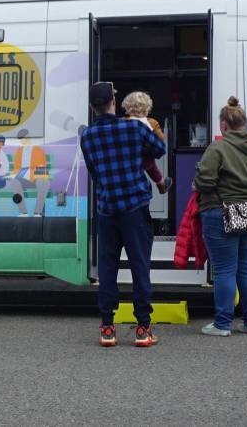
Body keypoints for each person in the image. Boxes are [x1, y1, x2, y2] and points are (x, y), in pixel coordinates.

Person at [80, 82, 166, 348]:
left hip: (107, 208)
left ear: (92, 107)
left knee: (107, 268)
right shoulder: (133, 128)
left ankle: (107, 328)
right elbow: (159, 149)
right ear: (113, 103)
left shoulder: (87, 136)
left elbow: (94, 173)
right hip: (134, 207)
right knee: (139, 266)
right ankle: (143, 328)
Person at [193, 96, 247, 336]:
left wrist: (196, 183)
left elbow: (205, 181)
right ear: (244, 123)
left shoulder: (217, 149)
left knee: (225, 270)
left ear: (224, 125)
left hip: (221, 213)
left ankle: (222, 324)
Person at [121, 91, 171, 194]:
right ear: (147, 107)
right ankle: (161, 185)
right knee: (153, 168)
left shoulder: (122, 121)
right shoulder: (152, 122)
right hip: (146, 159)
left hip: (127, 159)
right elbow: (161, 139)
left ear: (127, 106)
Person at [7, 129, 50, 217]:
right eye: (21, 139)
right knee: (13, 182)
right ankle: (23, 212)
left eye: (23, 138)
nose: (22, 141)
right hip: (22, 178)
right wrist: (16, 174)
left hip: (35, 177)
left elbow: (42, 167)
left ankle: (37, 213)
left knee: (45, 182)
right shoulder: (19, 151)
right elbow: (16, 168)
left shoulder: (38, 150)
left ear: (28, 137)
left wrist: (31, 173)